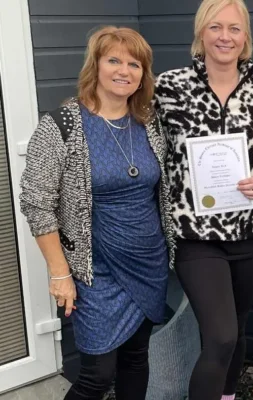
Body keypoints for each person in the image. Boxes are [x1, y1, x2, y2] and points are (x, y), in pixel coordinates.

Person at [19, 26, 172, 400]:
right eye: (114, 60)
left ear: (143, 74)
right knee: (97, 375)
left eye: (134, 64)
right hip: (95, 270)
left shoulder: (150, 123)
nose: (124, 71)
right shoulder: (62, 124)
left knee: (136, 358)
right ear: (96, 66)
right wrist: (59, 273)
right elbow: (36, 201)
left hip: (148, 263)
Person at [153, 0, 253, 398]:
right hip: (195, 236)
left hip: (250, 233)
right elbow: (143, 143)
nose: (225, 37)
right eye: (215, 27)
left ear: (245, 37)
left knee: (237, 330)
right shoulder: (169, 88)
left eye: (234, 28)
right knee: (220, 335)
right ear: (201, 33)